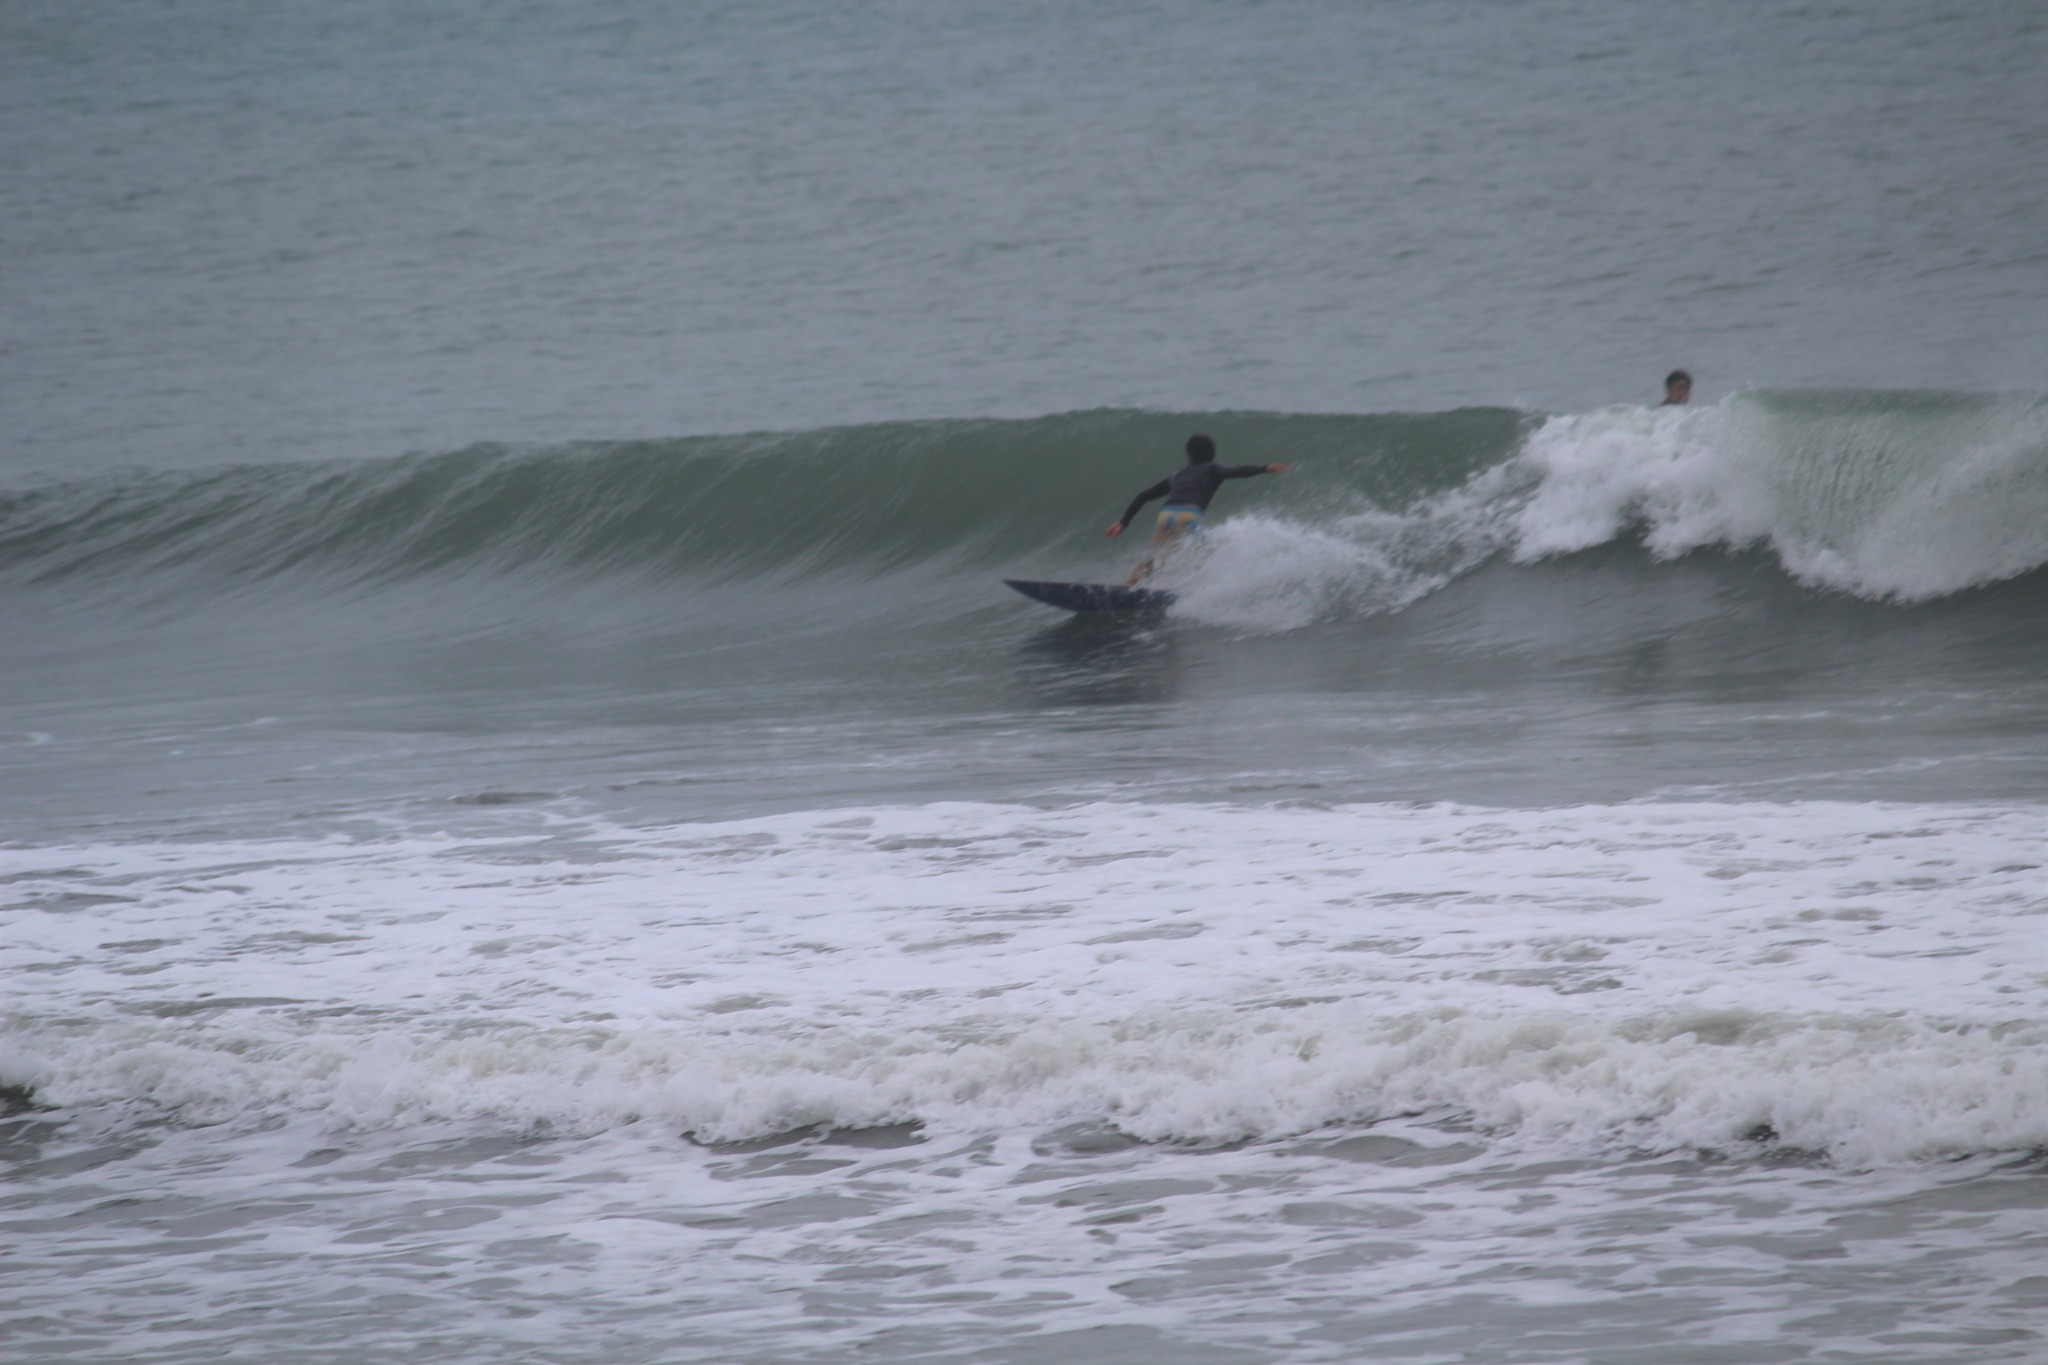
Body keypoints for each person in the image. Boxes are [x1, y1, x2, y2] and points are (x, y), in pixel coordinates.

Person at [1105, 434, 1286, 585]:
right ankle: (1198, 593)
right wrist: (1265, 468)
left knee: (1158, 559)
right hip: (1189, 516)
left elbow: (1143, 496)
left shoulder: (1176, 475)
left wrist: (1123, 522)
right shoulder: (1212, 469)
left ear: (1188, 454)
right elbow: (1238, 471)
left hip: (1166, 515)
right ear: (1213, 454)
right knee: (1204, 558)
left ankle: (1129, 583)